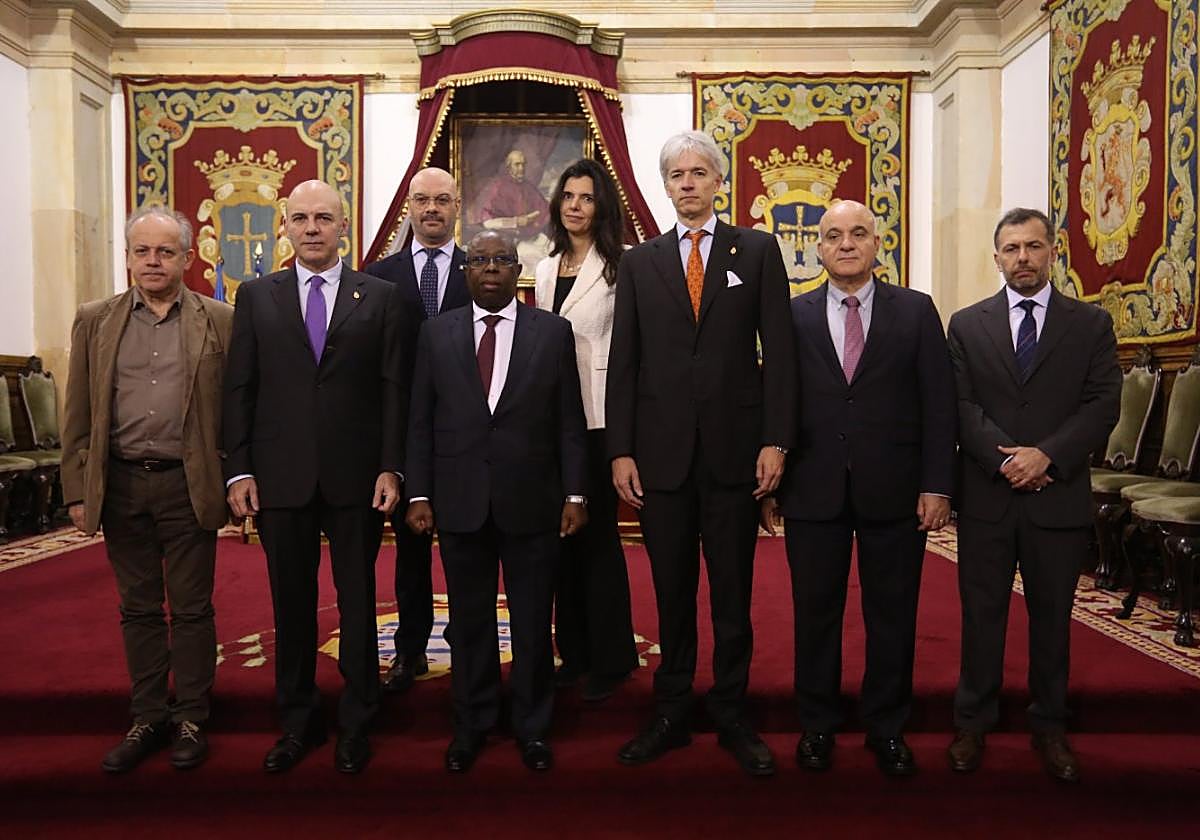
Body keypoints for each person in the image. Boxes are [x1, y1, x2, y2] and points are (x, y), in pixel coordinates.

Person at [605, 130, 798, 776]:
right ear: (665, 186)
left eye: (699, 173)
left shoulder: (758, 250)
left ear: (719, 181)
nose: (688, 183)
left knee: (733, 594)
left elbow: (780, 355)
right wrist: (620, 449)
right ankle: (671, 711)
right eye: (677, 174)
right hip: (659, 458)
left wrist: (776, 439)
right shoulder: (640, 263)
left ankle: (732, 710)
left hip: (735, 456)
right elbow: (623, 362)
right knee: (671, 593)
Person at [761, 200, 957, 776]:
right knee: (814, 612)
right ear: (817, 248)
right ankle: (816, 725)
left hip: (895, 490)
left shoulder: (916, 311)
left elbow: (938, 403)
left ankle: (887, 727)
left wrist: (938, 485)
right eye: (833, 236)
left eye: (858, 234)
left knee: (892, 613)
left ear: (878, 244)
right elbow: (776, 399)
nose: (846, 244)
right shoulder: (791, 316)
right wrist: (770, 484)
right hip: (810, 487)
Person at [223, 179, 407, 775]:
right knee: (292, 606)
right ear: (285, 225)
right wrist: (240, 469)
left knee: (357, 604)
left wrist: (391, 465)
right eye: (299, 218)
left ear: (342, 225)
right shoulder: (256, 296)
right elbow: (240, 388)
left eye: (322, 218)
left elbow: (392, 390)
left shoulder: (378, 297)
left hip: (357, 477)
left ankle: (357, 721)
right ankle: (297, 721)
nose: (310, 228)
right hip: (280, 476)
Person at [946, 208, 1120, 783]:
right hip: (988, 497)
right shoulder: (967, 326)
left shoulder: (1090, 324)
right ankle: (972, 723)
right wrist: (1009, 461)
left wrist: (1046, 455)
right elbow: (962, 407)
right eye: (1012, 248)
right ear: (995, 257)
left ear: (1053, 252)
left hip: (1058, 494)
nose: (1023, 257)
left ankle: (1050, 726)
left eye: (1034, 246)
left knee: (1052, 618)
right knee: (982, 615)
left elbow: (1102, 404)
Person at [404, 230, 588, 774]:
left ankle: (533, 728)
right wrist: (419, 491)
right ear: (466, 271)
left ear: (517, 270)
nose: (490, 268)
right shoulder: (435, 334)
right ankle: (473, 724)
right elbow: (421, 420)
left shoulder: (553, 333)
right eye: (480, 260)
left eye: (501, 260)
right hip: (460, 502)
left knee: (533, 622)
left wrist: (576, 492)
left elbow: (569, 422)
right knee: (469, 621)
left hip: (533, 502)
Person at [61, 205, 234, 773]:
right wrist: (76, 488)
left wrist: (234, 477)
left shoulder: (219, 319)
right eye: (142, 251)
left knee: (190, 609)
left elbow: (235, 410)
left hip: (190, 485)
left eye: (165, 252)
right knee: (136, 609)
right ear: (128, 256)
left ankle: (190, 717)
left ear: (188, 257)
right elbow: (79, 411)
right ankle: (146, 716)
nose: (153, 261)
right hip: (122, 485)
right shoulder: (94, 319)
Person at [533, 158, 639, 703]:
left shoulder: (623, 266)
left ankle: (613, 657)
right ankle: (572, 654)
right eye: (568, 197)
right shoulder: (547, 265)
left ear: (603, 207)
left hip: (599, 417)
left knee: (598, 541)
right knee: (561, 543)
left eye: (586, 198)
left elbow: (628, 354)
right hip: (554, 421)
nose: (575, 206)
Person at [365, 166, 470, 694]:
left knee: (465, 547)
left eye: (443, 200)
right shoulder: (378, 277)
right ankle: (410, 652)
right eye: (423, 200)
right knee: (408, 551)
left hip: (466, 438)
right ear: (408, 206)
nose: (432, 209)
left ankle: (469, 651)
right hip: (401, 433)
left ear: (458, 206)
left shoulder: (483, 271)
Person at [476, 149, 552, 269]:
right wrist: (515, 222)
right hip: (511, 243)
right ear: (509, 166)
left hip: (532, 237)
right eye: (517, 164)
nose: (521, 168)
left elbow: (543, 208)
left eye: (523, 164)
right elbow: (487, 221)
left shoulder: (528, 187)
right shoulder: (498, 187)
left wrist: (536, 216)